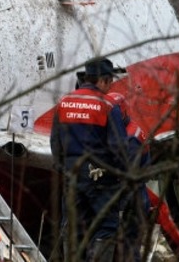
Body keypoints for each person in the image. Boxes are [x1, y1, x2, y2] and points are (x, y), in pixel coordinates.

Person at [50, 57, 129, 262]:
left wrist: (64, 168)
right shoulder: (108, 106)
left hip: (72, 175)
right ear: (102, 80)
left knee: (73, 227)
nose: (111, 85)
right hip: (102, 178)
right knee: (106, 228)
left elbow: (55, 143)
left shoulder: (64, 103)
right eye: (110, 81)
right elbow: (119, 147)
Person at [108, 92, 151, 262]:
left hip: (134, 198)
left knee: (129, 249)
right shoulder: (130, 129)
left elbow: (127, 174)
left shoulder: (130, 138)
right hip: (137, 195)